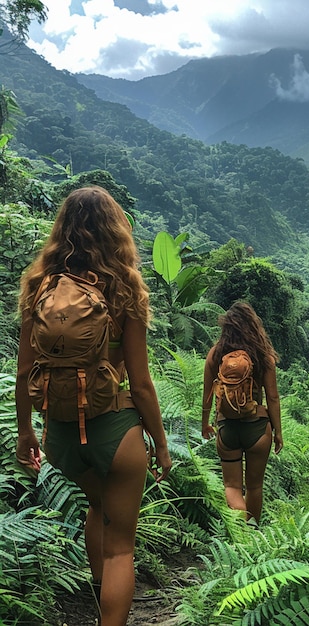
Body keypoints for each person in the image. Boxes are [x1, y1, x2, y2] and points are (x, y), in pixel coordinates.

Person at [15, 186, 172, 626]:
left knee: (96, 509)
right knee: (122, 545)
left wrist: (27, 432)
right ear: (115, 230)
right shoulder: (124, 287)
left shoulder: (39, 286)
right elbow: (140, 384)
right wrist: (160, 443)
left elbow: (25, 371)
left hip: (62, 434)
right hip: (115, 429)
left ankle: (103, 601)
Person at [202, 301, 282, 523]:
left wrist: (205, 424)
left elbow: (207, 394)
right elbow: (273, 397)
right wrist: (278, 432)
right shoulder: (262, 355)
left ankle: (240, 534)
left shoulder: (215, 354)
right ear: (253, 325)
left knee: (231, 486)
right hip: (257, 426)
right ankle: (252, 532)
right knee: (255, 486)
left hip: (227, 427)